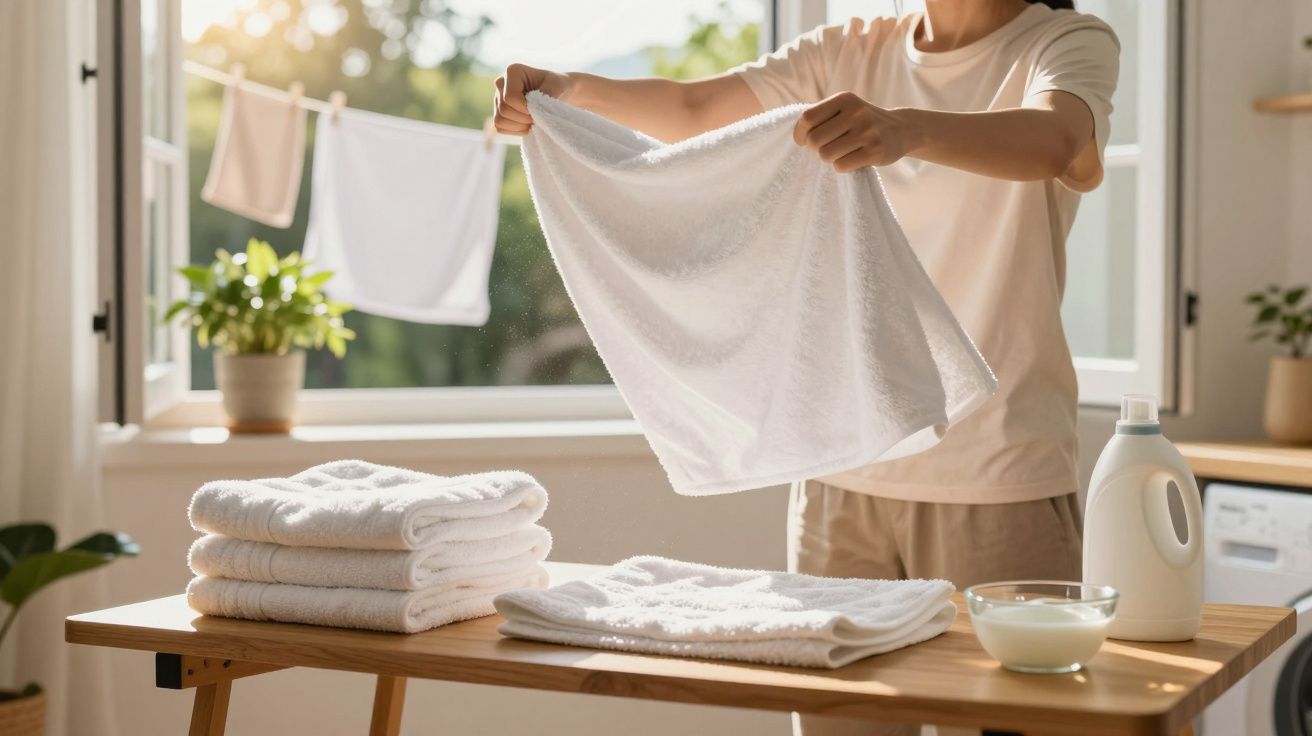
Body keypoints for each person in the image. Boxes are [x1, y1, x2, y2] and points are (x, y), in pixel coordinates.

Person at [495, 1, 1118, 733]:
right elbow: (700, 106)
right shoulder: (852, 48)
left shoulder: (1064, 41)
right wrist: (568, 88)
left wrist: (903, 127)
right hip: (839, 474)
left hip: (1000, 475)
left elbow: (1054, 138)